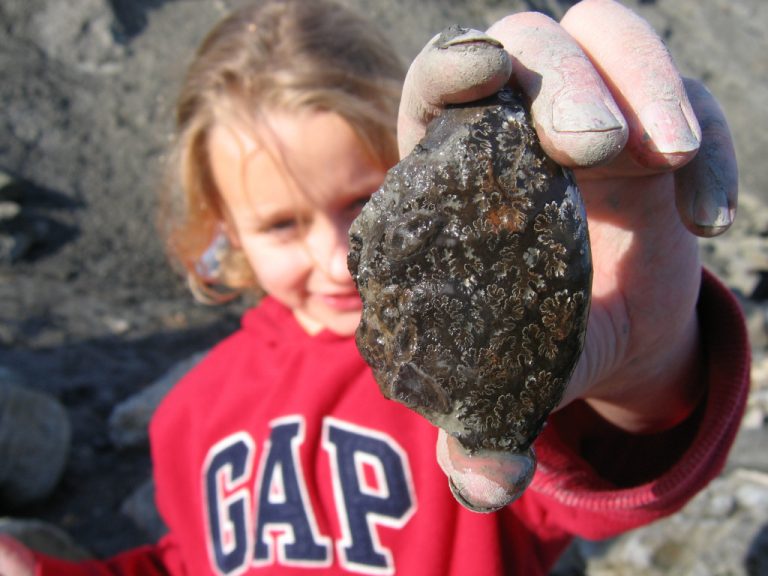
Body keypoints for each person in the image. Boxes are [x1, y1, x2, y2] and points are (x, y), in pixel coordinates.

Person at [0, 0, 749, 574]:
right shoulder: (187, 419)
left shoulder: (458, 382)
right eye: (282, 226)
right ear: (222, 232)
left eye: (362, 203)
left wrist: (644, 373)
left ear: (411, 180)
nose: (334, 259)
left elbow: (608, 477)